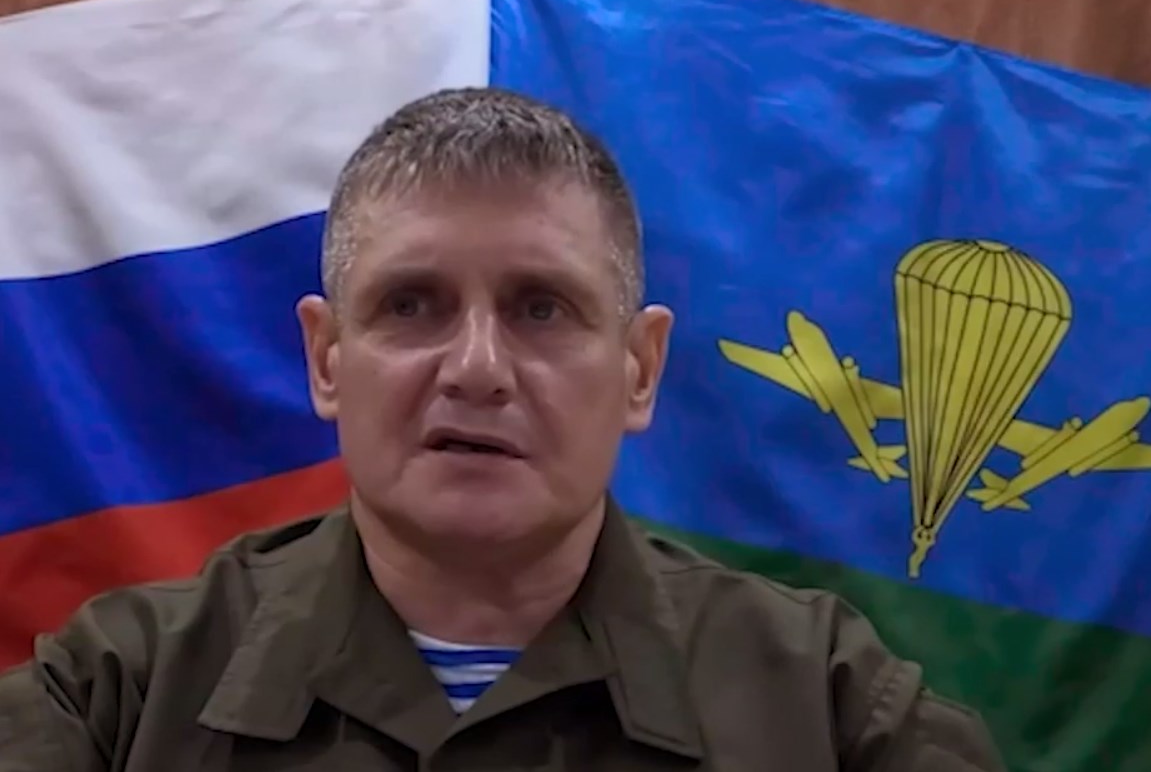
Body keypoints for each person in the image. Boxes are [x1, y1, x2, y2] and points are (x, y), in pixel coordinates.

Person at [0, 87, 1005, 771]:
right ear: (325, 358)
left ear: (638, 369)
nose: (476, 368)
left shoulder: (830, 711)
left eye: (540, 308)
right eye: (410, 305)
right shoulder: (117, 696)